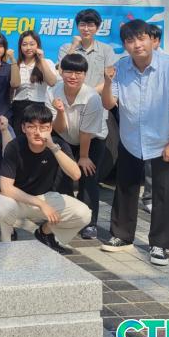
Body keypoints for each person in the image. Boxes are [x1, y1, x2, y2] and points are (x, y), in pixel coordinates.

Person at [100, 20, 169, 266]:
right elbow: (109, 104)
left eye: (141, 38)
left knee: (164, 192)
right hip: (130, 138)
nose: (137, 45)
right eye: (130, 40)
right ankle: (122, 236)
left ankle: (160, 244)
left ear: (152, 40)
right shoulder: (120, 68)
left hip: (164, 140)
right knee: (125, 187)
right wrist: (107, 82)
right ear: (125, 45)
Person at [0, 103, 89, 254]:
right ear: (23, 128)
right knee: (2, 207)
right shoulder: (14, 146)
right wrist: (41, 204)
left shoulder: (58, 145)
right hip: (17, 199)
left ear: (50, 128)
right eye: (32, 127)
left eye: (43, 127)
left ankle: (45, 232)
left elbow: (76, 174)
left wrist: (53, 147)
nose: (38, 132)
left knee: (83, 214)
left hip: (46, 197)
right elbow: (6, 188)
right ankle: (7, 243)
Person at [47, 54, 107, 240]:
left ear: (85, 75)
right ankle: (66, 216)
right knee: (62, 176)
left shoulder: (92, 97)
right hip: (64, 136)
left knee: (88, 177)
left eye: (79, 73)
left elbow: (86, 132)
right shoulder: (52, 91)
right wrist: (60, 111)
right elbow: (58, 128)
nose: (73, 76)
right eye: (69, 72)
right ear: (61, 72)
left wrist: (84, 156)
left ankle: (89, 223)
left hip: (92, 139)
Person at [57, 9, 117, 91]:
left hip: (97, 96)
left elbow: (111, 77)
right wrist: (73, 47)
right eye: (82, 25)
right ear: (77, 27)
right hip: (71, 96)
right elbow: (61, 72)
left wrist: (90, 93)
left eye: (90, 25)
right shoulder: (66, 48)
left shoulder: (106, 49)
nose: (86, 29)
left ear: (97, 28)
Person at [12, 30, 58, 135]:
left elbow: (52, 82)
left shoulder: (46, 62)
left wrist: (41, 60)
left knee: (37, 136)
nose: (28, 48)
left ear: (38, 45)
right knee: (19, 138)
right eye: (24, 44)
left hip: (39, 106)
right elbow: (13, 86)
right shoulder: (16, 64)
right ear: (20, 47)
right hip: (18, 107)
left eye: (32, 44)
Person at [140, 24, 164, 213]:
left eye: (153, 39)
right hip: (140, 119)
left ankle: (152, 197)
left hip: (160, 122)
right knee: (144, 161)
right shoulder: (133, 62)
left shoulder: (168, 63)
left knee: (155, 162)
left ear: (157, 41)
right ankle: (147, 196)